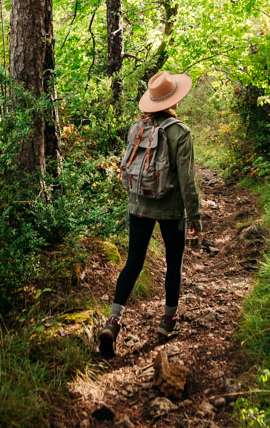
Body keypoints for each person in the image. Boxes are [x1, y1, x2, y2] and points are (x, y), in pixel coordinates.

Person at [98, 69, 202, 357]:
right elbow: (187, 180)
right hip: (171, 210)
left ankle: (113, 321)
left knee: (133, 263)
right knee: (173, 263)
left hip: (139, 206)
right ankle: (167, 322)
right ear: (174, 100)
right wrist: (195, 216)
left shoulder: (138, 127)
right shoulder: (180, 132)